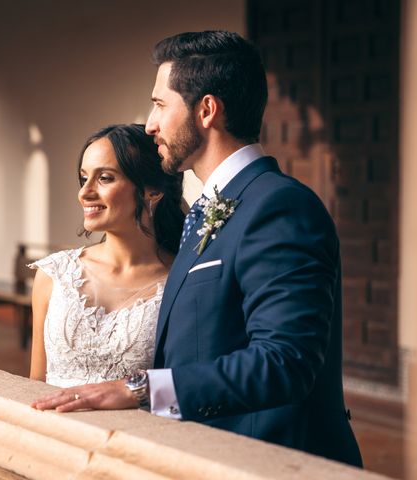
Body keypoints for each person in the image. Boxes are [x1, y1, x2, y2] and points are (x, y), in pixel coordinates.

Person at [32, 31, 363, 467]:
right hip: (201, 456)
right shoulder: (206, 210)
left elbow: (285, 361)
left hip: (267, 462)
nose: (150, 124)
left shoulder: (279, 205)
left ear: (206, 110)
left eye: (159, 105)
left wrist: (140, 388)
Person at [29, 123, 185, 388]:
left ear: (153, 191)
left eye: (105, 178)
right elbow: (34, 385)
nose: (84, 193)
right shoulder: (54, 275)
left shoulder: (182, 284)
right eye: (83, 178)